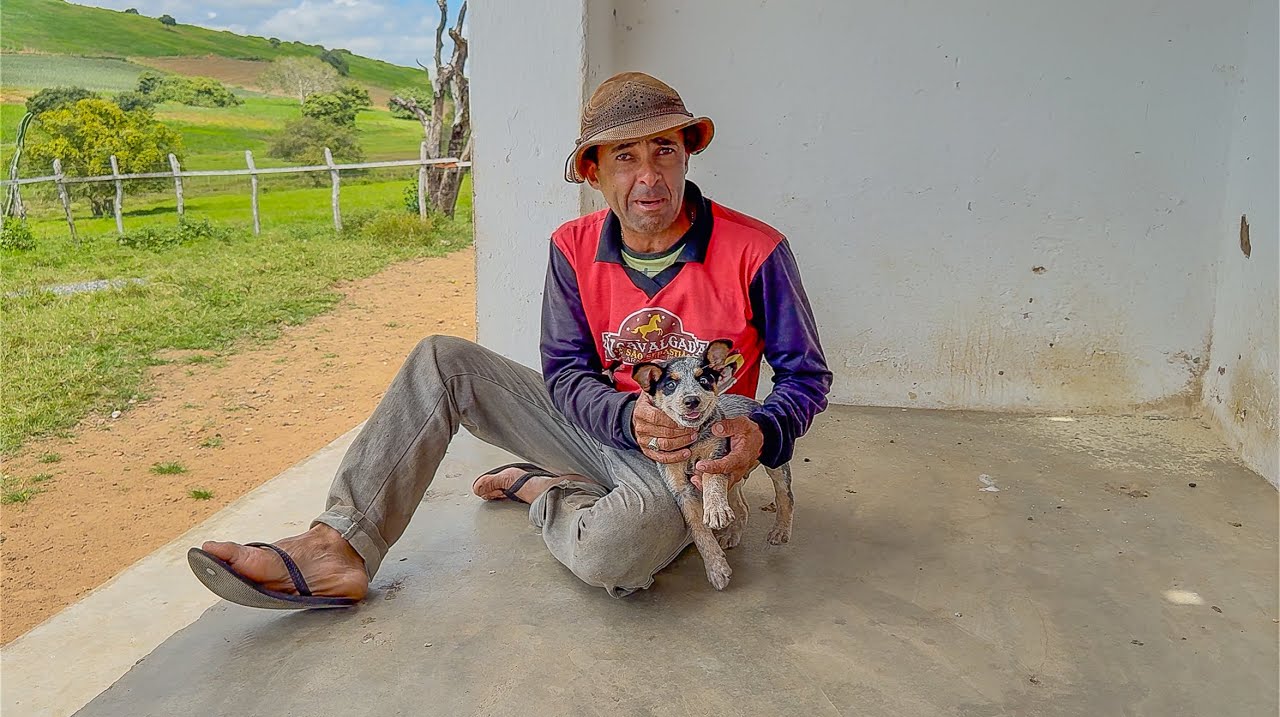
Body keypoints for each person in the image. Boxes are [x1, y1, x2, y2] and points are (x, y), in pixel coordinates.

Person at [188, 71, 832, 607]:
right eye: (625, 156)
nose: (649, 177)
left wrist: (763, 434)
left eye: (664, 149)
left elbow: (806, 376)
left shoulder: (757, 249)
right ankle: (339, 544)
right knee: (441, 360)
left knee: (612, 556)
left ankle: (540, 487)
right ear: (592, 171)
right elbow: (566, 371)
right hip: (595, 423)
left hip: (689, 455)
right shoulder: (572, 247)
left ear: (687, 152)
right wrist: (618, 414)